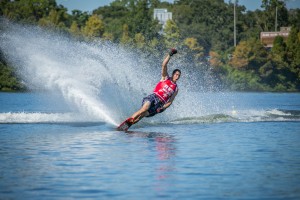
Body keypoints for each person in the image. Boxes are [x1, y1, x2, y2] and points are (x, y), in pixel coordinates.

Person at [118, 48, 181, 130]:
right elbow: (164, 65)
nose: (177, 76)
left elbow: (170, 102)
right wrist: (170, 54)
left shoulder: (176, 89)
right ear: (173, 74)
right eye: (176, 74)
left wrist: (163, 108)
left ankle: (127, 125)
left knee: (140, 117)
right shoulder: (165, 78)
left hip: (159, 104)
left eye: (179, 75)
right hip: (154, 97)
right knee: (144, 109)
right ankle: (129, 120)